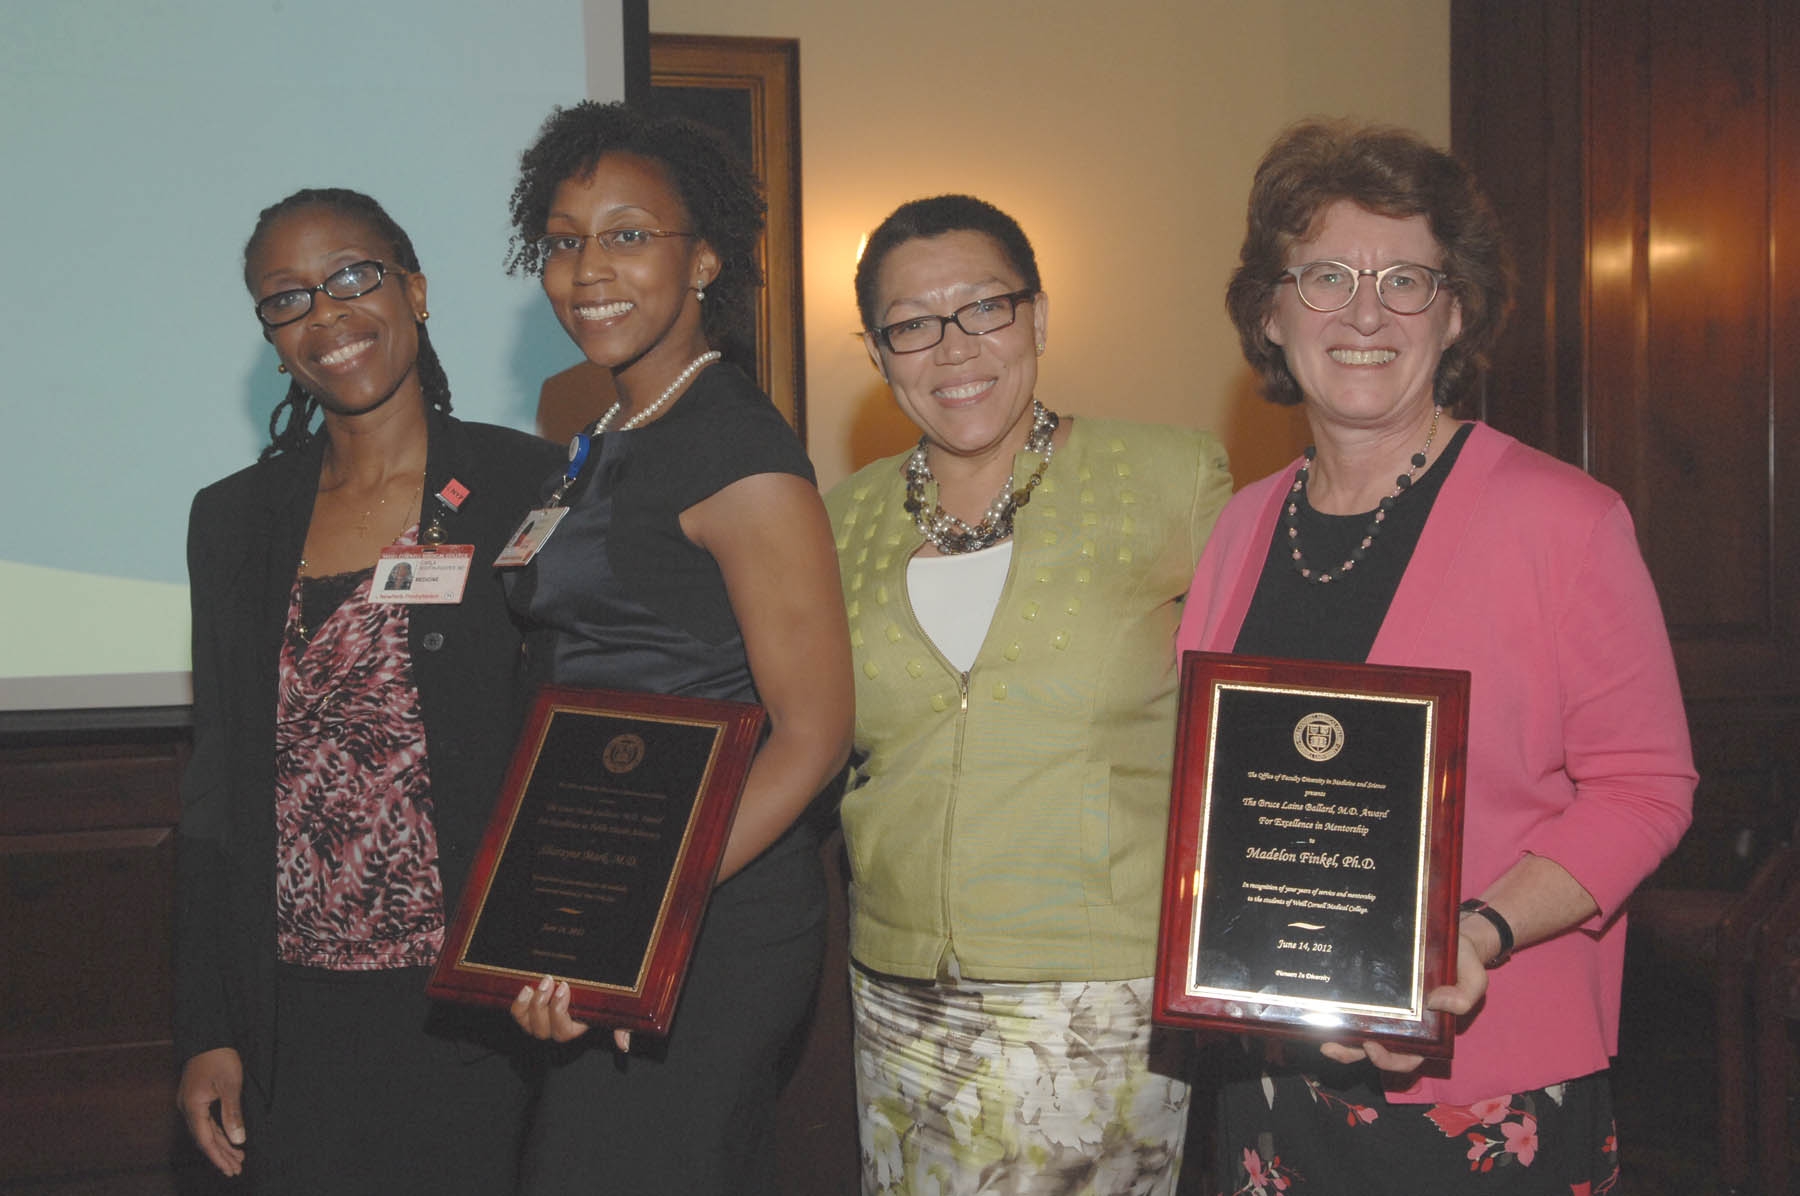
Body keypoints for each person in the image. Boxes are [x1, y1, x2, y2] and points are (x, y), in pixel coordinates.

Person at [1178, 120, 1695, 1194]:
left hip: (1485, 1091)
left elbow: (1647, 787)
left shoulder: (1566, 522)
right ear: (1271, 313)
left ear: (1454, 313)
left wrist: (1477, 931)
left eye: (1405, 279)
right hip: (1272, 1081)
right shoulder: (1239, 528)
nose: (1365, 311)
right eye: (1325, 275)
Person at [825, 194, 1234, 1194]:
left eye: (985, 307)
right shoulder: (838, 518)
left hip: (1096, 994)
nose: (953, 346)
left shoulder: (1170, 475)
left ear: (1039, 317)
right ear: (879, 354)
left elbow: (1258, 720)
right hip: (895, 986)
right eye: (912, 323)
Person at [174, 188, 561, 1192]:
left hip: (476, 1011)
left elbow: (567, 735)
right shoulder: (233, 519)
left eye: (354, 277)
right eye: (288, 296)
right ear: (270, 332)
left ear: (415, 289)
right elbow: (215, 783)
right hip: (290, 1021)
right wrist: (210, 1028)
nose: (328, 314)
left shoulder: (532, 483)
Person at [499, 101, 854, 1196]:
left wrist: (639, 908)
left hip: (717, 909)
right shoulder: (602, 435)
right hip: (616, 877)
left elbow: (816, 731)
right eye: (563, 241)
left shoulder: (736, 446)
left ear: (704, 259)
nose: (587, 268)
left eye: (626, 234)